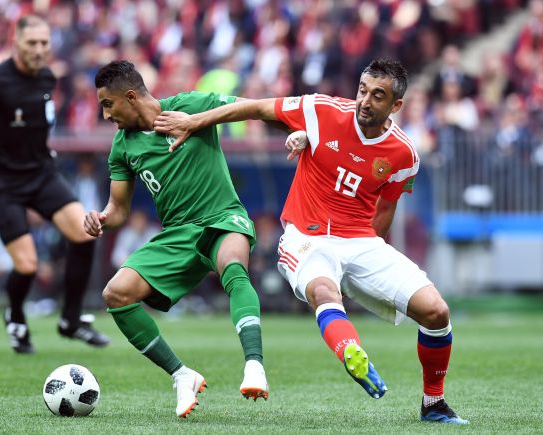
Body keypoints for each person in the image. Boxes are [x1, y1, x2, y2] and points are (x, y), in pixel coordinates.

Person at [154, 59, 468, 424]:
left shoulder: (404, 154)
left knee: (436, 312)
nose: (365, 101)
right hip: (306, 237)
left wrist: (368, 270)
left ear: (396, 105)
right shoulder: (321, 110)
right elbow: (255, 107)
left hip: (360, 242)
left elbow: (385, 211)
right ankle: (350, 349)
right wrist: (195, 121)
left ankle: (434, 404)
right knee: (323, 290)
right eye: (363, 90)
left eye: (378, 95)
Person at [83, 60, 269, 419]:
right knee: (116, 294)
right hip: (177, 235)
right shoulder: (122, 147)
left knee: (233, 267)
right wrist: (103, 218)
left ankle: (254, 366)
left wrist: (198, 121)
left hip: (221, 217)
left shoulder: (190, 105)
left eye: (108, 104)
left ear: (131, 96)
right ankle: (182, 375)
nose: (105, 115)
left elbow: (254, 107)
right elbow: (118, 208)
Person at [0, 15, 109, 353]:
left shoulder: (47, 77)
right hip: (4, 182)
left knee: (85, 232)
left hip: (42, 174)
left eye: (44, 42)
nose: (38, 49)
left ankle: (71, 320)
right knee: (27, 265)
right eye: (31, 43)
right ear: (16, 43)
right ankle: (16, 316)